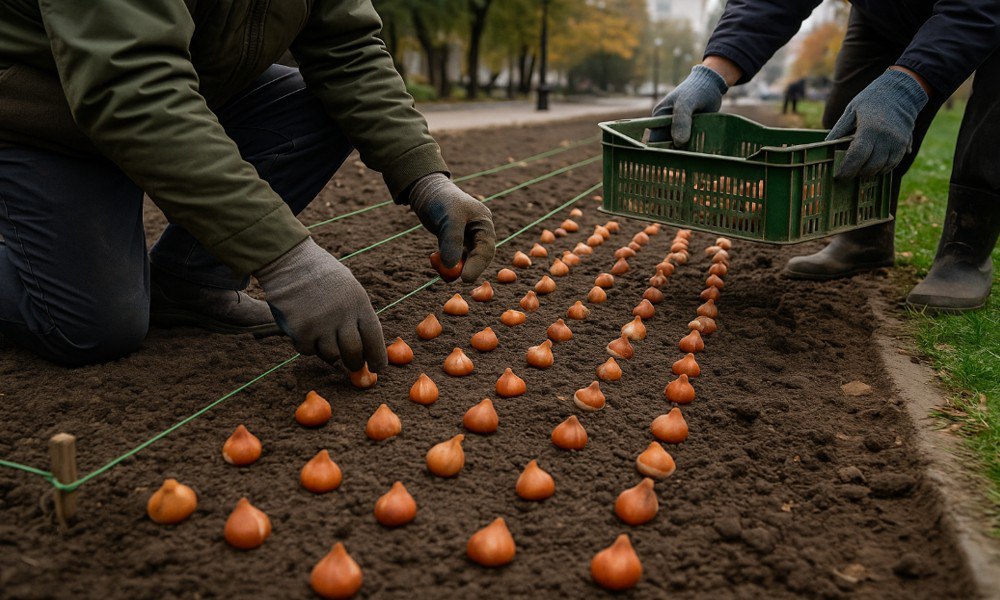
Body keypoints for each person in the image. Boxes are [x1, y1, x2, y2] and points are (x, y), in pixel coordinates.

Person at [0, 0, 496, 368]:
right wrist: (289, 261)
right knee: (93, 326)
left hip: (180, 95)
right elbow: (132, 88)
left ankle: (190, 282)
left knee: (326, 108)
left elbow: (347, 48)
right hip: (45, 116)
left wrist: (427, 179)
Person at [653, 0, 1000, 312]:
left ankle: (966, 250)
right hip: (885, 12)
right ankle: (864, 237)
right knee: (844, 120)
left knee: (990, 130)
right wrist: (713, 71)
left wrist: (909, 84)